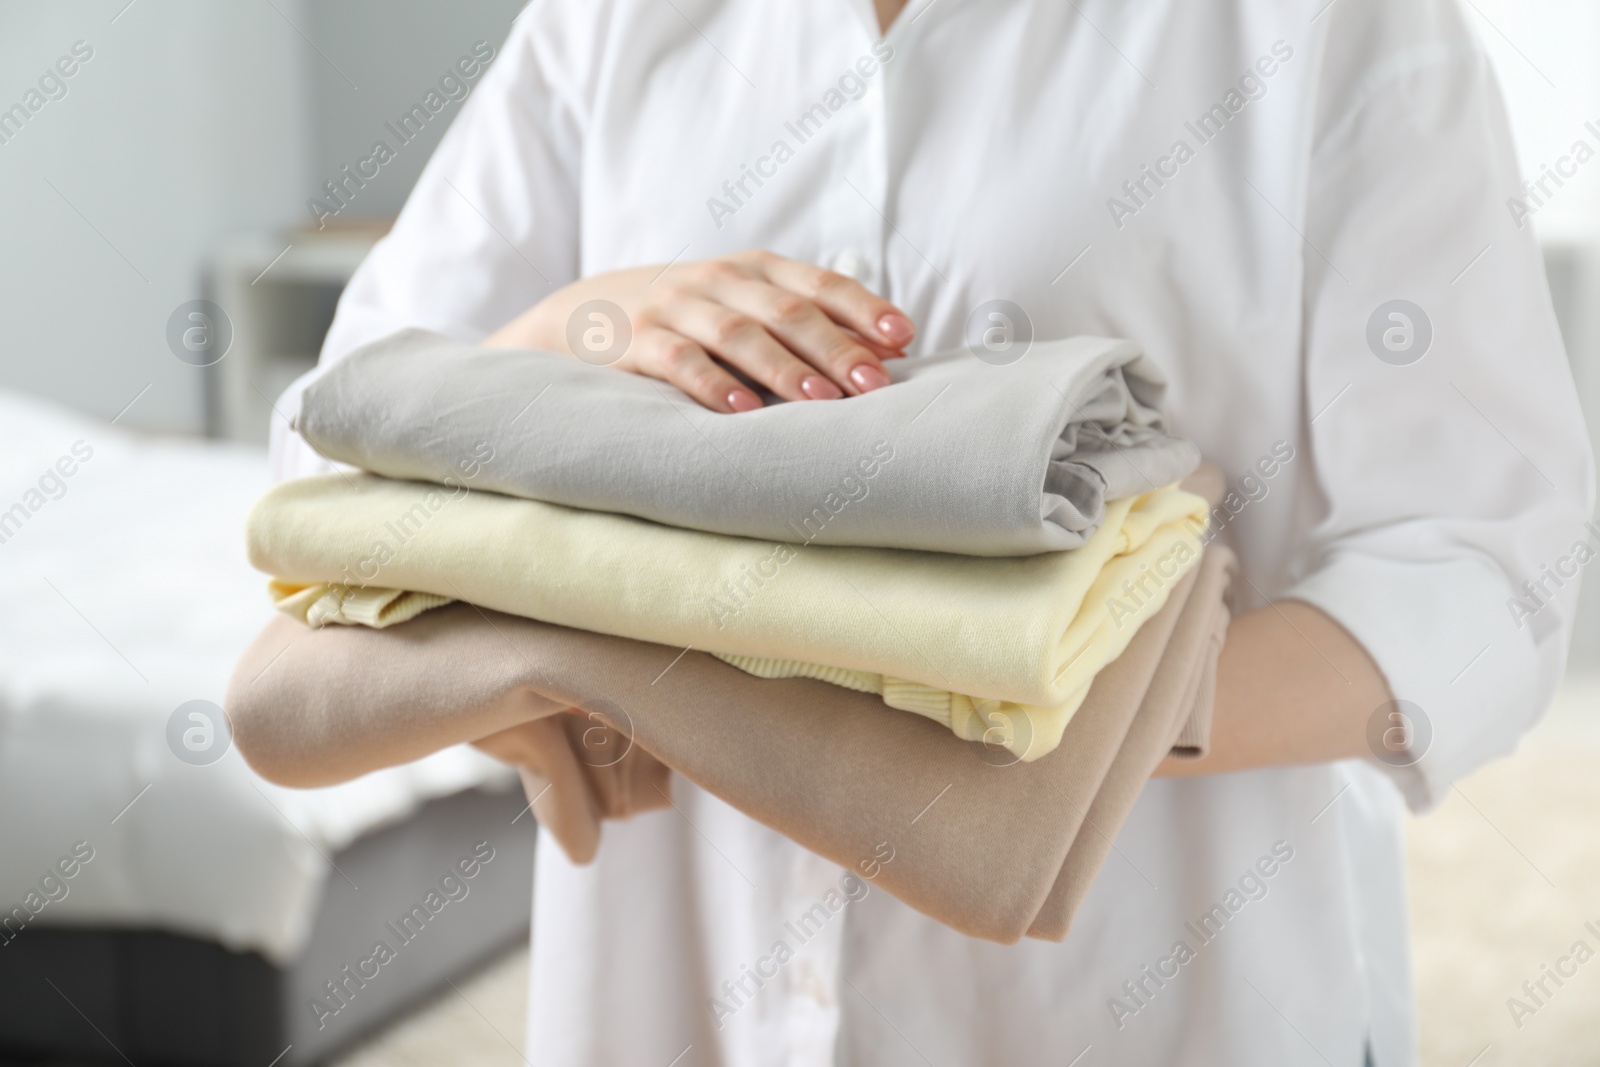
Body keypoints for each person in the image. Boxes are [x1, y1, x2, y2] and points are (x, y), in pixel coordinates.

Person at [271, 0, 1594, 1063]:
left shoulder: (1334, 29)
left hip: (1155, 997)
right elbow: (340, 430)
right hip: (681, 983)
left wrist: (1031, 709)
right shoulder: (610, 23)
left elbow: (1487, 570)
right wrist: (573, 333)